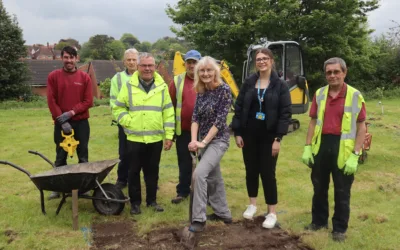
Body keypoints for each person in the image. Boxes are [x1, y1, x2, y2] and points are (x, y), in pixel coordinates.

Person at [301, 57, 366, 242]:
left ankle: (339, 228)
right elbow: (313, 122)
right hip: (321, 146)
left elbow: (362, 127)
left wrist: (355, 155)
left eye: (336, 72)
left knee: (342, 191)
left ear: (344, 73)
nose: (332, 75)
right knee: (319, 187)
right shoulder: (320, 94)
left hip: (343, 148)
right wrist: (307, 147)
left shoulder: (355, 95)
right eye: (329, 72)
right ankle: (318, 222)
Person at [231, 48, 292, 229]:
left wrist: (278, 138)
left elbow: (285, 113)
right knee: (251, 170)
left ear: (272, 61)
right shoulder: (249, 82)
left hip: (269, 137)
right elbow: (239, 107)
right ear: (255, 63)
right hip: (249, 135)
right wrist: (238, 132)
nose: (262, 62)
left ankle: (271, 212)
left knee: (268, 173)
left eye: (265, 58)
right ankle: (252, 204)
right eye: (258, 59)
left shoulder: (280, 85)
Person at [113, 53, 175, 215]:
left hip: (154, 139)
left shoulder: (162, 87)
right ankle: (135, 203)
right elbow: (117, 107)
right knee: (133, 172)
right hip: (134, 137)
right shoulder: (128, 86)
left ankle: (152, 201)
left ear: (155, 67)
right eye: (144, 65)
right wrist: (128, 121)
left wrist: (169, 136)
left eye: (150, 65)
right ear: (138, 67)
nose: (147, 69)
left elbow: (168, 112)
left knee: (152, 171)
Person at [187, 56, 232, 232]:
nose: (206, 74)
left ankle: (198, 218)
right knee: (214, 177)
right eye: (202, 71)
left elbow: (220, 121)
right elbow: (195, 118)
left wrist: (203, 142)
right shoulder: (201, 91)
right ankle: (223, 213)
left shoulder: (224, 90)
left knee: (199, 174)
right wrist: (193, 140)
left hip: (218, 141)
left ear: (215, 72)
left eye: (209, 70)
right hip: (203, 142)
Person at [46, 46, 93, 200]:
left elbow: (88, 101)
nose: (69, 60)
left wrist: (72, 113)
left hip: (81, 123)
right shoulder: (53, 77)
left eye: (72, 57)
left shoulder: (84, 78)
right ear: (62, 58)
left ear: (76, 58)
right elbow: (51, 101)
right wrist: (61, 119)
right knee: (60, 156)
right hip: (61, 123)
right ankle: (57, 188)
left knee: (83, 155)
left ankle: (84, 187)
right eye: (66, 57)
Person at [169, 50, 201, 204]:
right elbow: (170, 106)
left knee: (205, 163)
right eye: (189, 62)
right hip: (183, 131)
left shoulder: (207, 78)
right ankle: (182, 192)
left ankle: (204, 193)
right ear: (185, 64)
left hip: (204, 131)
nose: (191, 65)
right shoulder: (177, 81)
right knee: (184, 163)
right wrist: (170, 133)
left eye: (194, 62)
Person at [110, 48, 139, 189]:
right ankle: (122, 179)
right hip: (124, 123)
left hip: (142, 123)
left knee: (142, 153)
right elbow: (114, 101)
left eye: (134, 59)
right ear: (124, 62)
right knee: (124, 153)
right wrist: (123, 120)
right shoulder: (118, 78)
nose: (132, 62)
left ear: (138, 61)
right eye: (129, 60)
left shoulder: (145, 76)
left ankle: (146, 179)